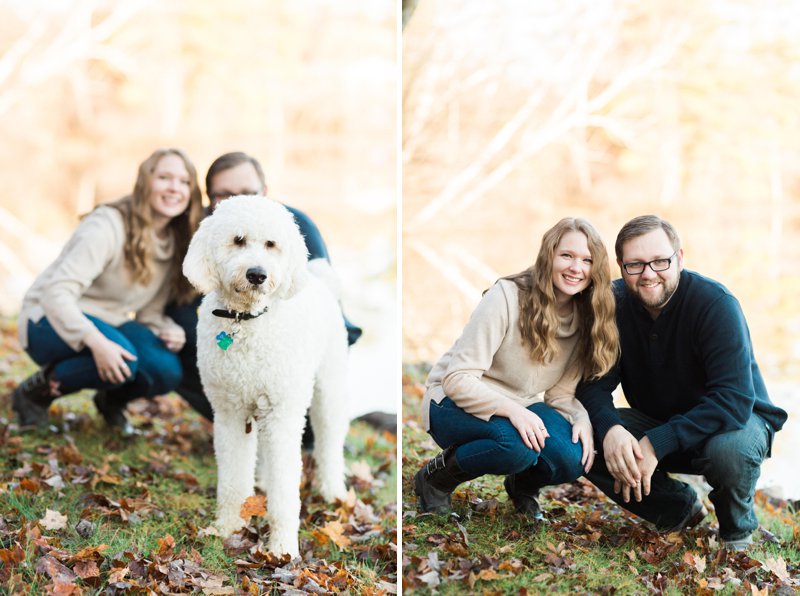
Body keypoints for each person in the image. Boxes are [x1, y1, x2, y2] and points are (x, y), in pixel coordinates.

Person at [576, 215, 787, 551]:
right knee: (586, 435)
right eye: (635, 264)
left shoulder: (715, 304)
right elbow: (592, 385)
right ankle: (679, 508)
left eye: (660, 261)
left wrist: (656, 442)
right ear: (620, 266)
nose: (648, 273)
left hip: (732, 423)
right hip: (660, 423)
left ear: (679, 258)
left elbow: (732, 400)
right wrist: (612, 430)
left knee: (729, 451)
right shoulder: (613, 304)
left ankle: (736, 532)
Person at [413, 218, 619, 519]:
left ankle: (522, 485)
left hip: (518, 406)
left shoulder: (586, 318)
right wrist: (513, 410)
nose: (576, 268)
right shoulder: (507, 296)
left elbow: (560, 394)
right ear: (549, 255)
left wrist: (580, 417)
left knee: (572, 456)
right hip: (449, 401)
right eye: (567, 256)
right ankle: (434, 479)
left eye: (587, 260)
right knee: (517, 446)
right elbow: (457, 378)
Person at [12, 148, 204, 433]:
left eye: (184, 181)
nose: (175, 188)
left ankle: (111, 400)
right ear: (145, 183)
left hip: (109, 320)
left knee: (166, 369)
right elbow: (56, 293)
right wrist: (96, 342)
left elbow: (149, 310)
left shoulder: (175, 241)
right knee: (125, 356)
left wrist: (166, 328)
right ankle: (34, 393)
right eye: (164, 177)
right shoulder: (107, 225)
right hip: (45, 318)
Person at [168, 151, 363, 423]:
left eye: (248, 192)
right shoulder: (202, 230)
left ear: (266, 191)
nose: (239, 201)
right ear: (209, 198)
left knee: (302, 419)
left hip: (290, 355)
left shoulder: (294, 226)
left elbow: (323, 305)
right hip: (220, 338)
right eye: (224, 194)